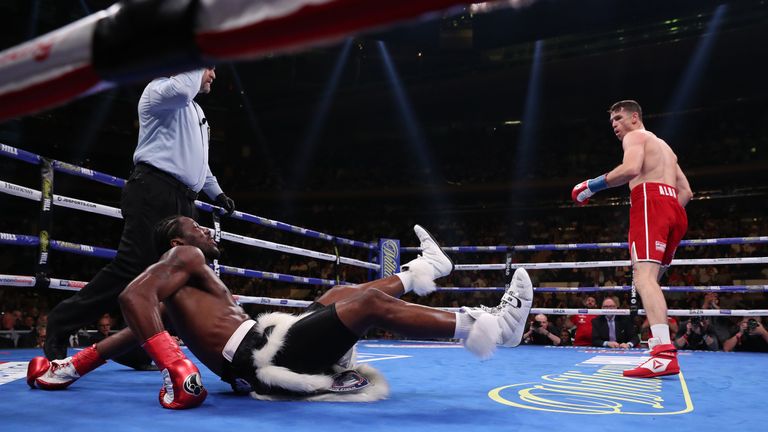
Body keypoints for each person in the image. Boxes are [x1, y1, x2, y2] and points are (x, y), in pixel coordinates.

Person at [27, 217, 534, 408]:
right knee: (368, 305)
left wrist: (72, 366)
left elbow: (135, 330)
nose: (209, 233)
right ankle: (488, 324)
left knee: (339, 295)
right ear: (179, 242)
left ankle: (424, 270)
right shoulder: (184, 258)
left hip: (261, 351)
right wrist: (177, 367)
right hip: (263, 356)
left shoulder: (175, 295)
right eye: (198, 229)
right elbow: (130, 300)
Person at [44, 68, 235, 369]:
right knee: (132, 266)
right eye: (208, 67)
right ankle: (61, 320)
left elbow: (200, 162)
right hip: (153, 190)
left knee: (177, 276)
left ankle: (131, 345)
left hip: (184, 199)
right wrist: (196, 60)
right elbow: (183, 90)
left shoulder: (196, 110)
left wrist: (217, 193)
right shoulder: (157, 92)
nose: (213, 74)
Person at [571, 100, 692, 378]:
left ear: (635, 117)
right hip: (673, 208)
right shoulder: (666, 149)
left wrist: (589, 187)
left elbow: (630, 169)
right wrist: (668, 210)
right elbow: (686, 192)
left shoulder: (636, 136)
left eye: (618, 118)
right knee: (651, 280)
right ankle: (659, 348)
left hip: (650, 203)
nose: (614, 125)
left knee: (643, 278)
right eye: (612, 121)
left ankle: (662, 354)